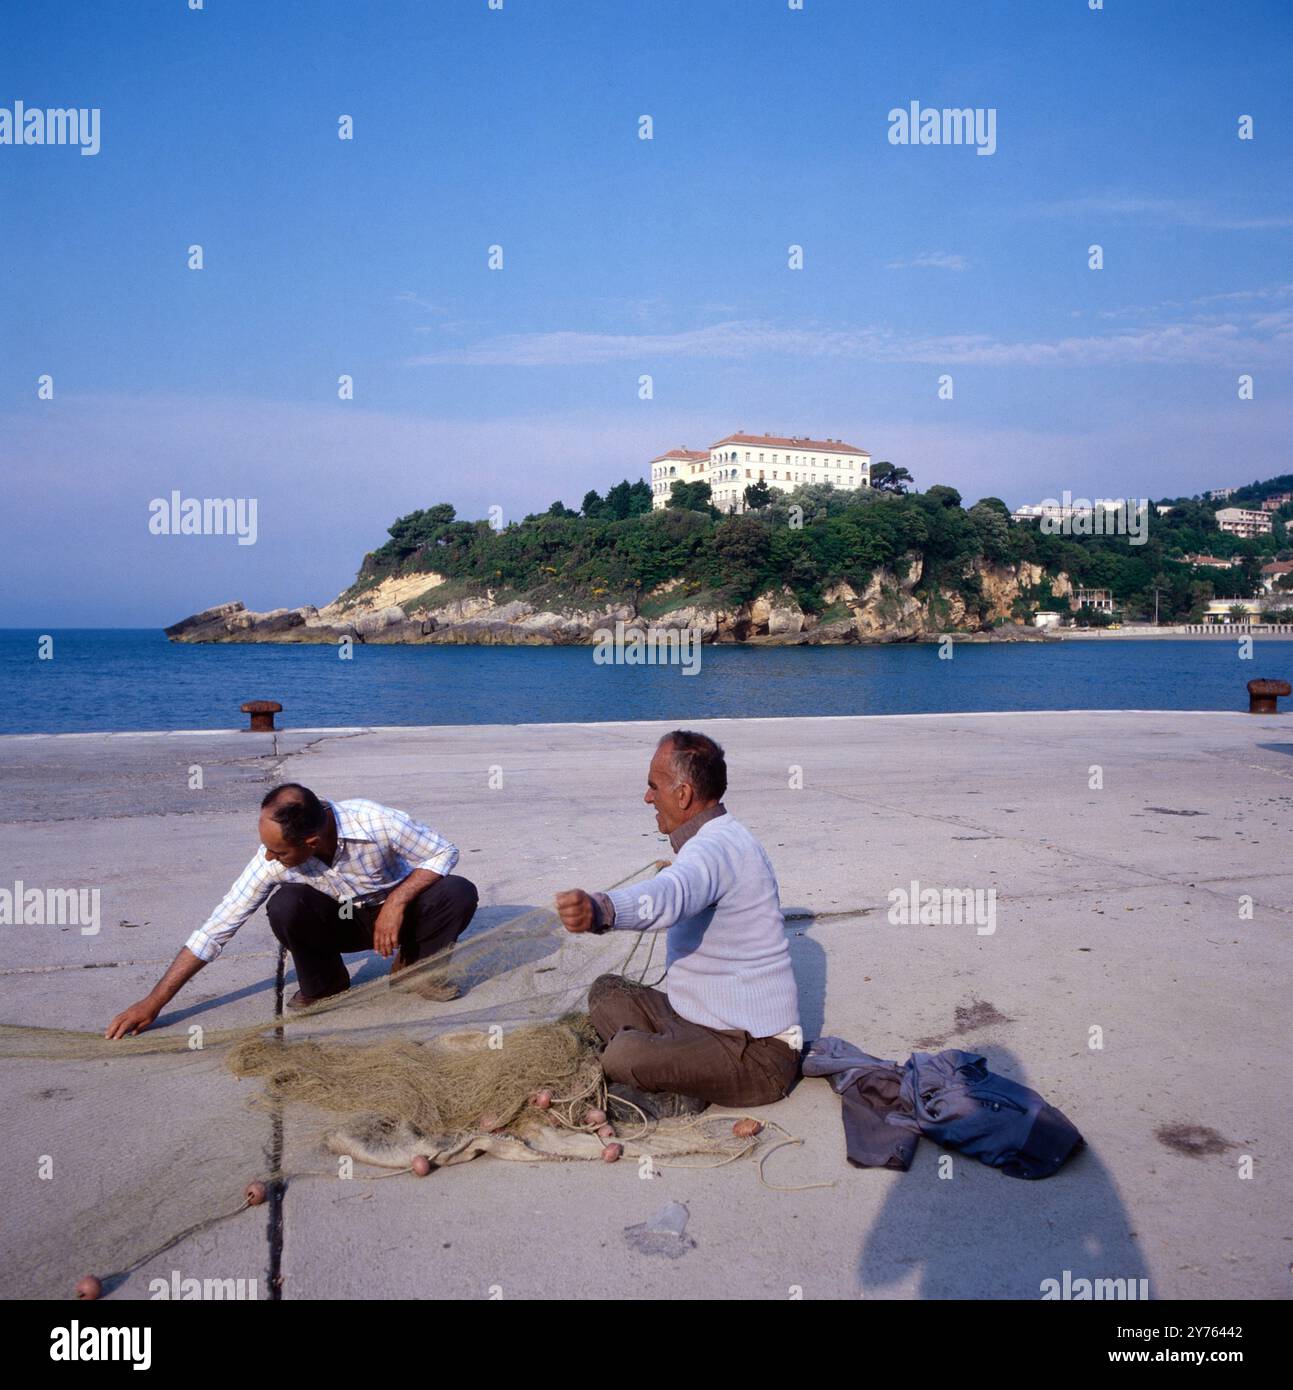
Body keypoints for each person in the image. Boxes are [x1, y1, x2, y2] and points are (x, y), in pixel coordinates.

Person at [554, 731, 801, 1116]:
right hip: (695, 1021)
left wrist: (602, 909)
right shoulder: (716, 839)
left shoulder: (714, 848)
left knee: (622, 1055)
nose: (648, 797)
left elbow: (671, 896)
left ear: (683, 794)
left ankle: (673, 1084)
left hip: (758, 1056)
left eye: (654, 787)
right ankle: (679, 1070)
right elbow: (688, 884)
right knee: (608, 991)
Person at [106, 783, 477, 1038]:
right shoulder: (272, 860)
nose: (270, 857)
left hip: (397, 916)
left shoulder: (376, 822)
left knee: (457, 891)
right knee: (286, 904)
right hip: (342, 920)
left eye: (279, 852)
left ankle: (416, 968)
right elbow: (216, 929)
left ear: (311, 842)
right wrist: (153, 1002)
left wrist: (396, 902)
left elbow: (444, 851)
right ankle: (326, 984)